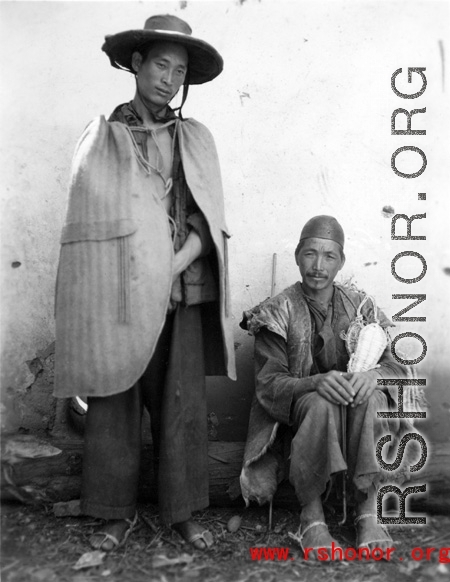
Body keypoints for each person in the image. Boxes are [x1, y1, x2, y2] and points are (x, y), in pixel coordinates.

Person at [54, 14, 236, 551]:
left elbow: (209, 223)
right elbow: (89, 231)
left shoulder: (195, 141)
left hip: (178, 294)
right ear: (136, 64)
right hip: (119, 297)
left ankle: (183, 512)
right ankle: (112, 513)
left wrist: (172, 267)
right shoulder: (105, 139)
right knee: (115, 403)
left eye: (179, 70)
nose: (169, 78)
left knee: (180, 404)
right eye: (160, 64)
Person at [239, 215, 422, 560]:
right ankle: (311, 516)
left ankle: (367, 509)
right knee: (322, 403)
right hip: (307, 407)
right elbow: (269, 383)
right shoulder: (277, 310)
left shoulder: (361, 306)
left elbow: (396, 363)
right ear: (297, 256)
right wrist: (316, 382)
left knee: (369, 400)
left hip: (356, 405)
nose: (318, 266)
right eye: (310, 254)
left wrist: (374, 376)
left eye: (329, 256)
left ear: (341, 262)